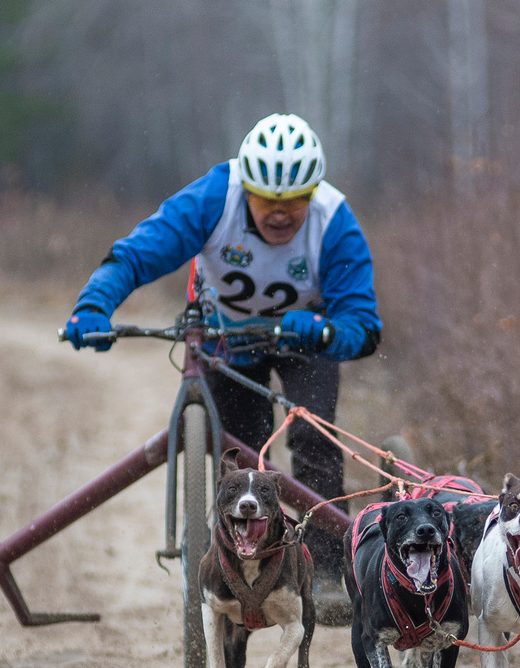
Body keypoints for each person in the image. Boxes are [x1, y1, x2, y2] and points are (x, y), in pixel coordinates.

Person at [61, 114, 380, 589]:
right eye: (266, 199)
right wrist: (93, 305)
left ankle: (331, 570)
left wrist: (325, 332)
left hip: (304, 341)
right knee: (241, 455)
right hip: (223, 341)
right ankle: (245, 567)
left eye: (293, 202)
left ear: (312, 192)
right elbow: (136, 254)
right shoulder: (214, 198)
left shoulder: (335, 223)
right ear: (245, 186)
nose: (278, 213)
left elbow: (364, 326)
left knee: (315, 441)